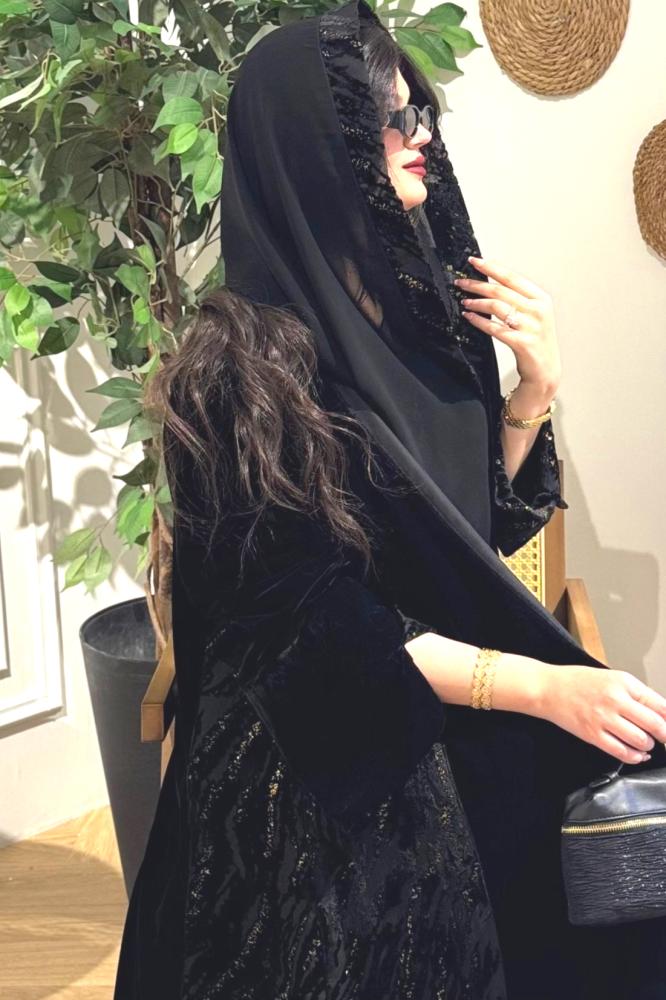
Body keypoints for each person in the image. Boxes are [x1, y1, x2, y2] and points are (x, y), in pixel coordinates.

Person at [113, 2, 666, 997]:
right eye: (390, 118)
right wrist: (542, 686)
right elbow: (318, 632)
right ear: (313, 146)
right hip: (318, 776)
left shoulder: (419, 319)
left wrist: (531, 392)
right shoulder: (238, 372)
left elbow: (473, 532)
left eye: (420, 114)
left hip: (444, 704)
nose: (418, 138)